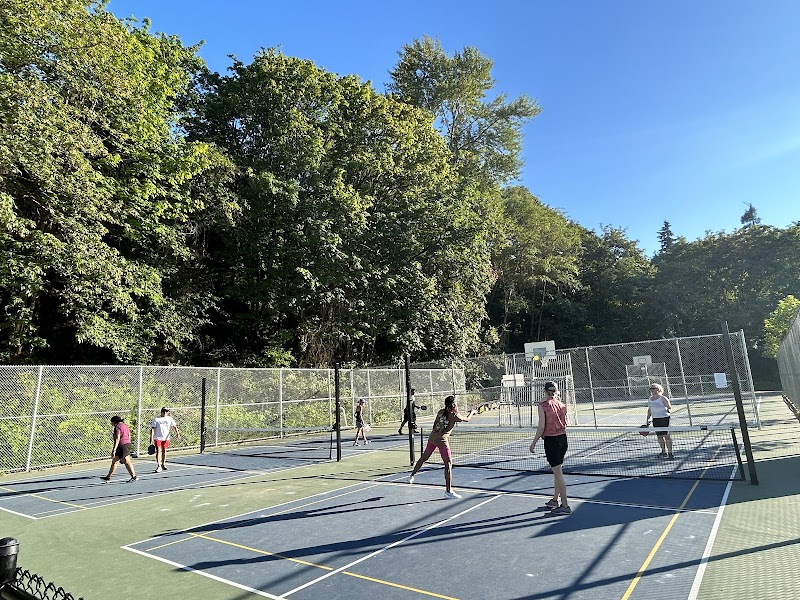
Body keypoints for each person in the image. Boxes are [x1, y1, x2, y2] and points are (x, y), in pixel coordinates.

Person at [408, 395, 475, 499]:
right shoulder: (454, 415)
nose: (456, 404)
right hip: (441, 440)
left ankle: (412, 475)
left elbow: (435, 425)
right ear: (453, 404)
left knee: (424, 458)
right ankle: (448, 491)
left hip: (432, 437)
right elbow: (467, 419)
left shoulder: (440, 411)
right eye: (455, 403)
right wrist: (472, 412)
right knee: (448, 464)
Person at [529, 381, 571, 515]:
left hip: (552, 442)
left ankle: (565, 506)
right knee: (557, 471)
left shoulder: (543, 405)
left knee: (558, 474)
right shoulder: (562, 404)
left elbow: (541, 426)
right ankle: (555, 500)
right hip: (563, 440)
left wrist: (533, 442)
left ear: (544, 391)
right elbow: (565, 422)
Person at [101, 416, 138, 483]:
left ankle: (134, 476)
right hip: (126, 444)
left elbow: (117, 438)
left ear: (114, 422)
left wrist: (114, 449)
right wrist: (128, 443)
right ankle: (108, 477)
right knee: (115, 460)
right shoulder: (125, 425)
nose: (112, 424)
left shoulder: (117, 427)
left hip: (122, 445)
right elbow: (129, 435)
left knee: (127, 461)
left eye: (112, 423)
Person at [645, 382, 674, 460]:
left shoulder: (663, 398)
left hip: (664, 418)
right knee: (659, 436)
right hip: (656, 419)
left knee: (667, 436)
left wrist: (668, 410)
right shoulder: (650, 399)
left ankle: (670, 453)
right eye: (651, 388)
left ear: (658, 389)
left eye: (653, 388)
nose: (652, 390)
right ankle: (663, 451)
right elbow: (650, 409)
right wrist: (648, 418)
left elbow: (669, 407)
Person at [150, 407, 180, 472]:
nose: (166, 413)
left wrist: (177, 434)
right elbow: (152, 429)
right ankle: (159, 466)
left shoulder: (170, 418)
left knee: (164, 451)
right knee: (158, 451)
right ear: (162, 412)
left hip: (166, 438)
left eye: (167, 411)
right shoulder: (156, 419)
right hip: (158, 438)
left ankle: (163, 464)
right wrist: (151, 438)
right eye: (165, 411)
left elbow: (174, 426)